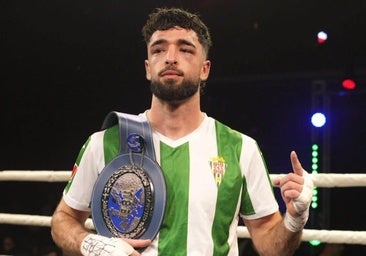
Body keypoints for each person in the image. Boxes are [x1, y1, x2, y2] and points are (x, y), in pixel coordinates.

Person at [51, 7, 314, 256]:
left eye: (185, 49)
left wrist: (294, 218)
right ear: (147, 67)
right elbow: (64, 220)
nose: (170, 57)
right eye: (159, 49)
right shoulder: (104, 143)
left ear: (204, 69)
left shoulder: (240, 149)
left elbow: (272, 246)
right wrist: (91, 244)